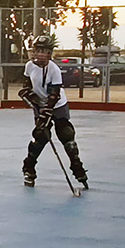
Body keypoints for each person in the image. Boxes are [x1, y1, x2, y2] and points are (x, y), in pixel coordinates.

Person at [18, 35, 88, 190]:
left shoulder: (54, 69)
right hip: (40, 105)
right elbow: (26, 85)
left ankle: (77, 167)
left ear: (50, 53)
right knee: (40, 136)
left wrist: (47, 110)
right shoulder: (29, 66)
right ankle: (29, 168)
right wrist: (30, 96)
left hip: (57, 105)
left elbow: (54, 94)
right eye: (38, 50)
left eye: (44, 51)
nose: (40, 54)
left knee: (66, 134)